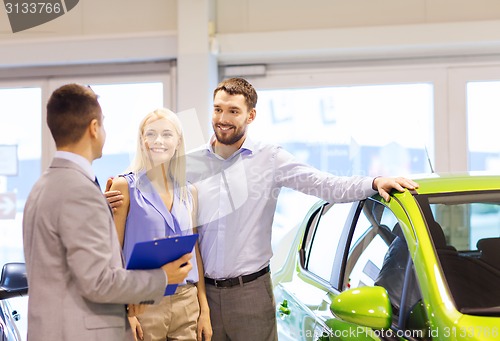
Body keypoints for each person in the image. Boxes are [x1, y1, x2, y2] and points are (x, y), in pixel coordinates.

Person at [107, 77, 418, 341]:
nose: (222, 118)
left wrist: (373, 181)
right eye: (217, 110)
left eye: (233, 111)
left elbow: (324, 184)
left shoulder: (271, 159)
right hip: (201, 299)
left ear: (250, 116)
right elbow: (149, 184)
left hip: (251, 294)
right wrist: (112, 195)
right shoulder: (189, 163)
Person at [22, 83, 193, 341]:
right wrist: (162, 278)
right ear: (93, 129)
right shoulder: (80, 192)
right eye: (103, 124)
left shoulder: (44, 186)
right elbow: (98, 281)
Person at [108, 108, 212, 341]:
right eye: (151, 134)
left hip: (187, 302)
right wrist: (125, 311)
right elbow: (113, 253)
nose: (158, 141)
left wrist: (203, 309)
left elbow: (194, 253)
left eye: (167, 134)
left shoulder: (189, 192)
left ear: (178, 141)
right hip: (142, 303)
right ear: (142, 140)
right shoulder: (123, 187)